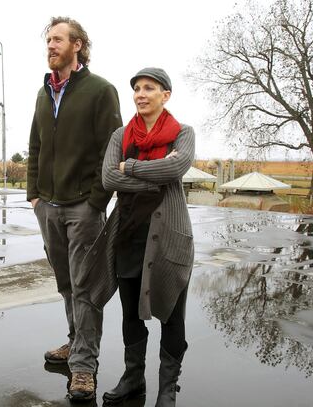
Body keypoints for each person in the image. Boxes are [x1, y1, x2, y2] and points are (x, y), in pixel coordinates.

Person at [26, 16, 122, 401]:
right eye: (48, 39)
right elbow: (34, 146)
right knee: (66, 283)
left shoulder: (100, 91)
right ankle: (74, 343)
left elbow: (110, 152)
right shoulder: (43, 92)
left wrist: (96, 201)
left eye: (57, 39)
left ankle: (84, 366)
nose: (50, 45)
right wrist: (34, 195)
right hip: (48, 206)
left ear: (77, 45)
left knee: (85, 287)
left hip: (83, 208)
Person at [88, 67, 195, 406]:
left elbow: (176, 169)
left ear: (165, 95)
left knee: (172, 313)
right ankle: (133, 377)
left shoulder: (183, 133)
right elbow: (108, 178)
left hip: (170, 238)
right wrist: (154, 177)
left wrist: (130, 167)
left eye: (149, 88)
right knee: (130, 313)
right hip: (130, 234)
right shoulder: (121, 136)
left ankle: (167, 388)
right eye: (136, 88)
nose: (141, 94)